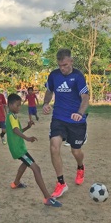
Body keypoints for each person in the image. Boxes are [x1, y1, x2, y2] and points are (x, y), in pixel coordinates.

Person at [42, 48, 89, 198]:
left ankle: (80, 167)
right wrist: (45, 103)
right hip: (59, 118)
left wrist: (79, 113)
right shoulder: (54, 75)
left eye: (65, 65)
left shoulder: (78, 76)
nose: (63, 68)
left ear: (71, 62)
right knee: (54, 147)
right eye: (60, 65)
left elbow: (85, 97)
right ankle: (61, 183)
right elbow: (49, 91)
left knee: (76, 151)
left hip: (76, 120)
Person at [6, 93, 62, 207]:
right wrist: (27, 138)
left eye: (19, 105)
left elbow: (18, 130)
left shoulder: (13, 116)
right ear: (10, 105)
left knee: (26, 163)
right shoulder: (11, 116)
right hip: (19, 149)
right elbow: (16, 131)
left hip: (19, 148)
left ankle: (15, 183)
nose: (19, 107)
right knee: (36, 169)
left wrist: (28, 127)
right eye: (17, 105)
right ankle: (47, 198)